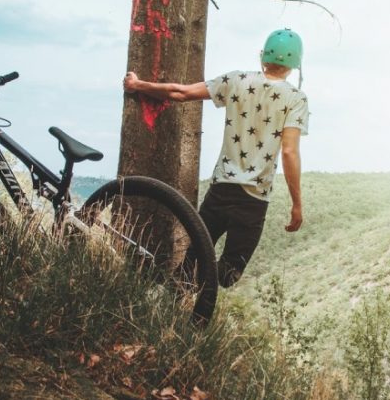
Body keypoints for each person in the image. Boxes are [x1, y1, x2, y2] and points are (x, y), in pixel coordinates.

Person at [122, 28, 309, 287]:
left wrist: (138, 85)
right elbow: (289, 151)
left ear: (263, 56)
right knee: (228, 275)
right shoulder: (296, 98)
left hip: (221, 190)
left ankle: (165, 305)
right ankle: (187, 312)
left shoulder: (236, 80)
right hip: (254, 200)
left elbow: (181, 93)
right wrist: (296, 204)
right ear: (295, 65)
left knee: (190, 267)